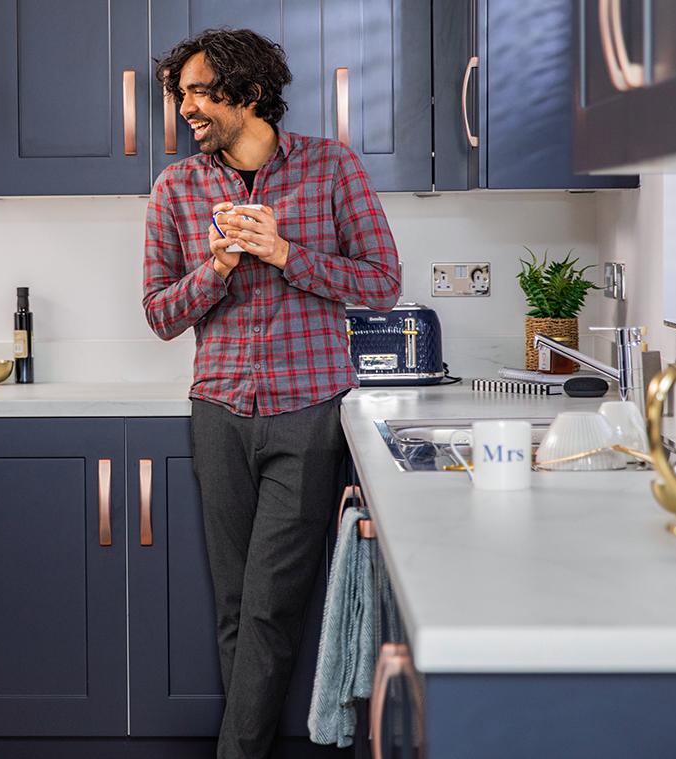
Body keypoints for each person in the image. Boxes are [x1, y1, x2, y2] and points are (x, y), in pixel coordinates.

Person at [143, 29, 401, 759]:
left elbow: (382, 283)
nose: (186, 107)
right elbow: (161, 313)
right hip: (218, 412)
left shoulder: (328, 170)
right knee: (236, 606)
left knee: (267, 605)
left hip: (310, 413)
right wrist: (219, 266)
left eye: (199, 90)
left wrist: (287, 255)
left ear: (249, 93)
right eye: (181, 93)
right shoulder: (176, 189)